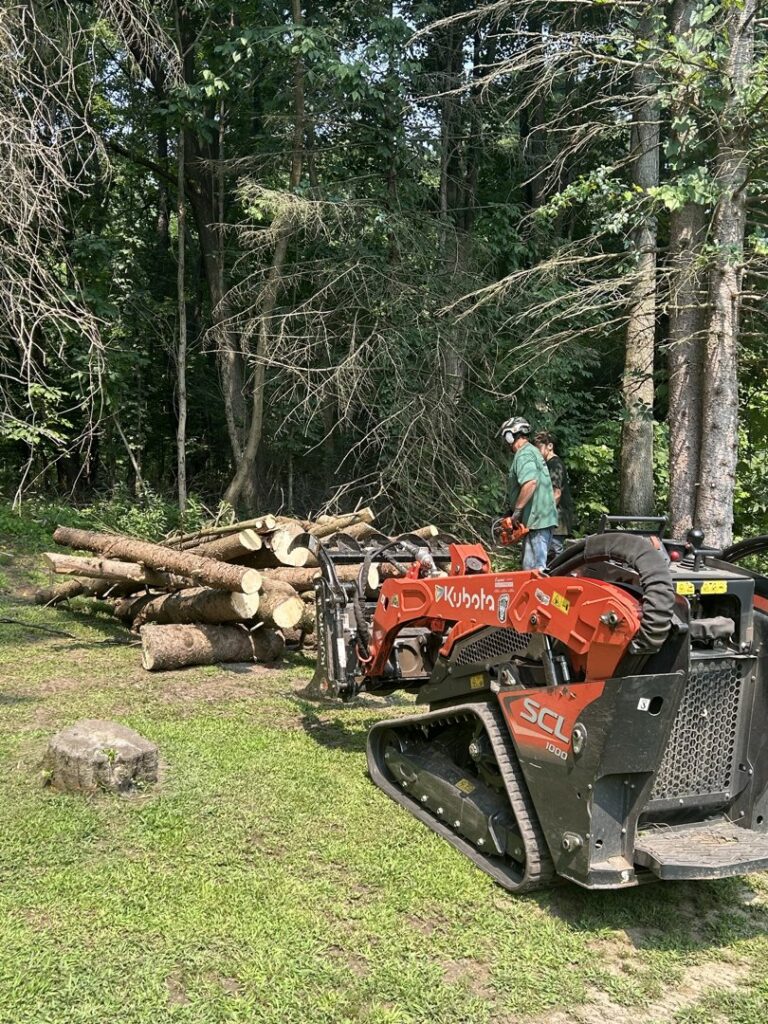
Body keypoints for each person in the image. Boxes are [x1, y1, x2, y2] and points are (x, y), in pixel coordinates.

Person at [500, 416, 558, 571]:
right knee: (532, 570)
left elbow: (530, 483)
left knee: (534, 572)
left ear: (510, 436)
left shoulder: (524, 454)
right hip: (539, 520)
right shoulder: (532, 451)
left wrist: (517, 512)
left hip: (537, 522)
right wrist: (512, 511)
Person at [535, 430, 574, 556]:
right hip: (555, 519)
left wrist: (544, 516)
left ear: (550, 446)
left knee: (554, 556)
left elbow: (556, 493)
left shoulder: (554, 464)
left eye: (539, 447)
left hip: (557, 520)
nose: (537, 452)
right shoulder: (549, 464)